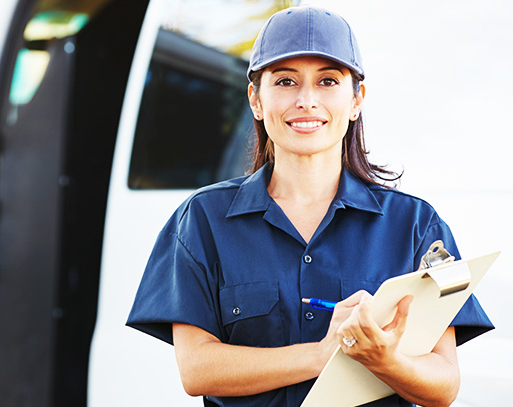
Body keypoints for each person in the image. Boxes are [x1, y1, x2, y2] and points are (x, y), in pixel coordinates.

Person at [126, 5, 493, 407]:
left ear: (356, 101)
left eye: (328, 81)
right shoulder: (202, 221)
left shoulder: (417, 226)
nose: (306, 100)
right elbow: (197, 369)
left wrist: (386, 360)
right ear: (256, 99)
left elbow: (444, 386)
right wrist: (322, 354)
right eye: (285, 81)